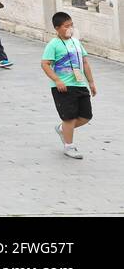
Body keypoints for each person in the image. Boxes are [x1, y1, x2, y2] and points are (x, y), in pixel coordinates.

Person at [43, 12, 98, 160]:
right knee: (69, 117)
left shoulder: (76, 42)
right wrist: (57, 80)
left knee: (86, 116)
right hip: (63, 86)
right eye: (66, 26)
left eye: (71, 25)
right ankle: (69, 146)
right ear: (57, 28)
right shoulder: (53, 44)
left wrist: (91, 82)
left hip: (80, 84)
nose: (70, 28)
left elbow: (85, 62)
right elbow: (45, 64)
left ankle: (62, 129)